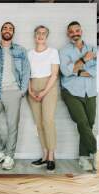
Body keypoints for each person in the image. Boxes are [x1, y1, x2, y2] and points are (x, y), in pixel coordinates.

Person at [0, 22, 31, 170]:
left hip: (13, 93)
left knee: (12, 126)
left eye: (10, 29)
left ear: (13, 33)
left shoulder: (20, 51)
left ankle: (10, 156)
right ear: (1, 31)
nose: (7, 30)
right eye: (5, 28)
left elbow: (26, 71)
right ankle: (0, 151)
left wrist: (22, 91)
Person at [59, 21, 97, 171]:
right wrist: (84, 60)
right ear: (68, 34)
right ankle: (95, 151)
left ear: (81, 31)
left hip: (91, 92)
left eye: (77, 30)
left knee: (89, 124)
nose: (75, 33)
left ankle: (83, 157)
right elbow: (65, 71)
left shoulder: (93, 49)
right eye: (72, 31)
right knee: (82, 122)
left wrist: (77, 69)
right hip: (71, 91)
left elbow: (95, 71)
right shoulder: (64, 51)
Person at [27, 25, 60, 172]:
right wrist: (30, 90)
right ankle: (45, 155)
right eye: (38, 33)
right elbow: (26, 74)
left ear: (46, 36)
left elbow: (54, 74)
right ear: (35, 36)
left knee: (48, 121)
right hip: (33, 86)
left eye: (43, 33)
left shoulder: (53, 52)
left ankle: (51, 156)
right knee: (39, 123)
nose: (40, 36)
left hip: (49, 86)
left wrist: (44, 92)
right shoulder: (29, 54)